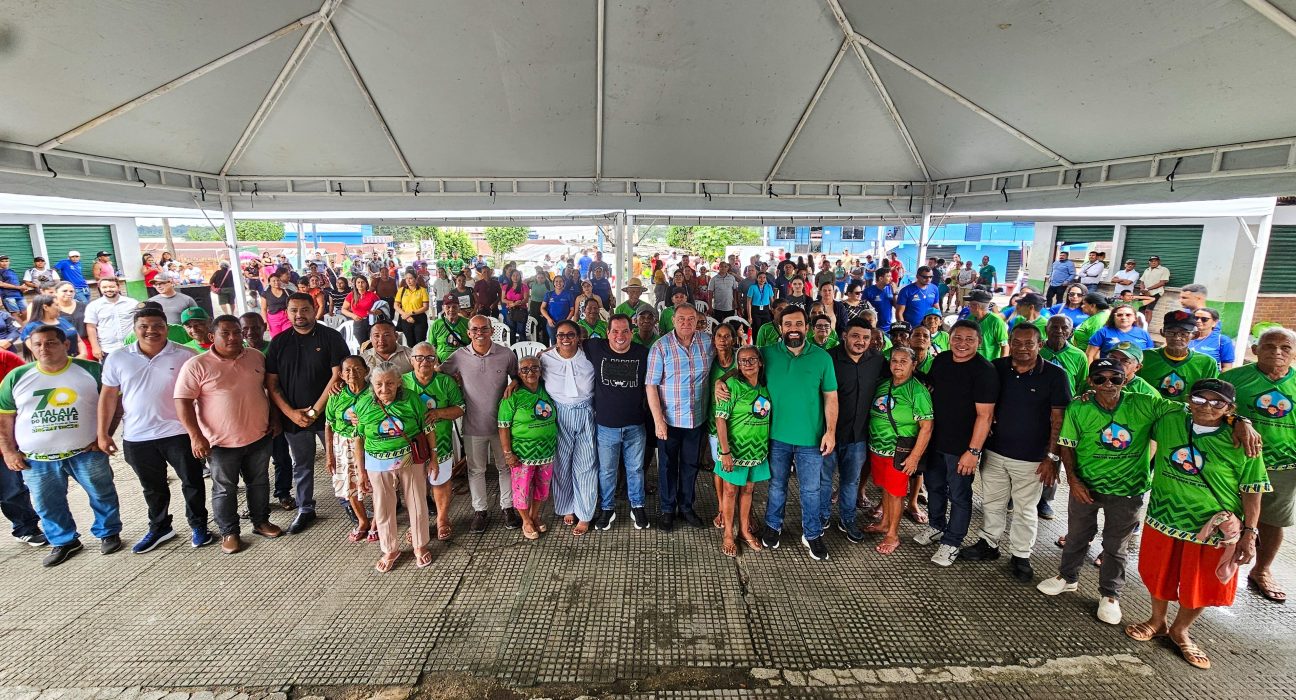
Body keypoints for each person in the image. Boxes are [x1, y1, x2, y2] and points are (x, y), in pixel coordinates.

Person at [1125, 378, 1268, 670]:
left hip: (1213, 529)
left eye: (1218, 402)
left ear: (1230, 407)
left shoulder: (1242, 440)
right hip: (1165, 518)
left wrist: (1250, 533)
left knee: (1205, 582)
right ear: (1189, 401)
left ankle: (1181, 630)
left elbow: (1252, 490)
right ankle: (1157, 621)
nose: (1207, 406)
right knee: (1158, 573)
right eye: (1200, 399)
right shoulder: (1171, 418)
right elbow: (1128, 398)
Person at [1037, 358, 1183, 625]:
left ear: (1125, 379)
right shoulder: (1079, 407)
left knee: (1116, 546)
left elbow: (1188, 410)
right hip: (1086, 485)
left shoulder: (1144, 403)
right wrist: (1073, 479)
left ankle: (1110, 595)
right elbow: (1068, 444)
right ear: (1091, 382)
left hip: (1127, 489)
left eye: (1115, 378)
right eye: (1100, 379)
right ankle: (1067, 578)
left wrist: (1237, 418)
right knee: (1077, 536)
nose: (1108, 384)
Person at [0, 325, 121, 567]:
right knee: (46, 503)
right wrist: (8, 451)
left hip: (87, 451)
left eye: (51, 342)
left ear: (66, 345)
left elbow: (114, 405)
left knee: (101, 492)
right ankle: (64, 540)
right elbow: (5, 419)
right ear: (29, 347)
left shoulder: (91, 369)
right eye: (38, 344)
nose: (44, 348)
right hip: (36, 458)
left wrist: (104, 435)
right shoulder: (16, 377)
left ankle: (108, 532)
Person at [961, 324, 1070, 582]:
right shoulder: (997, 368)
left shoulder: (1055, 375)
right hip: (996, 451)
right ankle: (989, 544)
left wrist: (1052, 458)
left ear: (1039, 345)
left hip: (1033, 458)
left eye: (1029, 343)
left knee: (1025, 509)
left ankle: (1021, 555)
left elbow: (1059, 419)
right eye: (1017, 342)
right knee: (992, 502)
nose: (1022, 348)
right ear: (1009, 341)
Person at [97, 307, 211, 553]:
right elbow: (108, 398)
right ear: (135, 329)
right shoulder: (118, 358)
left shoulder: (185, 355)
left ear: (167, 328)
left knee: (192, 482)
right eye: (144, 326)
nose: (151, 331)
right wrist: (103, 433)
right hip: (138, 436)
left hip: (180, 432)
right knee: (152, 487)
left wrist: (199, 432)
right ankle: (160, 527)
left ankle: (199, 525)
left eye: (158, 326)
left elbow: (200, 397)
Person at [752, 305, 839, 560]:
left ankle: (812, 534)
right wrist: (722, 383)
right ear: (780, 328)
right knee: (777, 486)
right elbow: (744, 368)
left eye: (798, 324)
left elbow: (830, 397)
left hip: (811, 440)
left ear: (807, 327)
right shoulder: (766, 354)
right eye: (787, 324)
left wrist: (830, 432)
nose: (793, 329)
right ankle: (773, 526)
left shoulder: (822, 358)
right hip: (776, 437)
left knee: (811, 490)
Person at [912, 320, 998, 567]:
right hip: (935, 440)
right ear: (949, 338)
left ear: (979, 342)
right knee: (934, 486)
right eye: (957, 338)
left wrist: (973, 451)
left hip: (961, 447)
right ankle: (936, 526)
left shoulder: (984, 370)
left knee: (959, 495)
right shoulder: (942, 360)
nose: (962, 344)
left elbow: (986, 416)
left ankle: (952, 541)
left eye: (969, 339)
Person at [1222, 327, 1296, 604]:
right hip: (1237, 463)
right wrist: (1236, 421)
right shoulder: (1233, 380)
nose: (1277, 352)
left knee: (1274, 521)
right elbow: (1210, 411)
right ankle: (1216, 567)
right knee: (1225, 516)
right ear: (1255, 350)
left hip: (1285, 467)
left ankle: (1262, 570)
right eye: (1269, 346)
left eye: (1285, 347)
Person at [265, 293, 349, 534]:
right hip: (294, 417)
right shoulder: (279, 343)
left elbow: (337, 376)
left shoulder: (331, 337)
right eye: (293, 310)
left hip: (329, 415)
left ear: (315, 310)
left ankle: (349, 501)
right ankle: (305, 508)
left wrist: (315, 411)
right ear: (287, 312)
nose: (299, 315)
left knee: (340, 461)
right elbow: (272, 384)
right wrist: (290, 413)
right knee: (301, 465)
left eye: (304, 310)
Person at [442, 315, 520, 533]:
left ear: (491, 331)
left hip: (502, 425)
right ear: (468, 333)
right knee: (476, 470)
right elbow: (439, 375)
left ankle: (508, 507)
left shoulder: (506, 354)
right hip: (473, 424)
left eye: (484, 329)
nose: (479, 333)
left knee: (505, 467)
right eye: (474, 329)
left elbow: (518, 377)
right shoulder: (459, 356)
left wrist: (514, 382)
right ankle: (480, 511)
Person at [354, 362, 435, 573]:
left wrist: (433, 457)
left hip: (410, 460)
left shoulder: (412, 399)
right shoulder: (363, 404)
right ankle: (390, 549)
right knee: (383, 507)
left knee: (417, 503)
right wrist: (360, 470)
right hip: (376, 463)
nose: (384, 389)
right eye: (379, 384)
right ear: (371, 383)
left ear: (399, 382)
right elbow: (358, 438)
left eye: (390, 383)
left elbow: (428, 429)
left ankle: (420, 545)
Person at [646, 302, 714, 531]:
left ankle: (686, 507)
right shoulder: (661, 347)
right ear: (673, 320)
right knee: (666, 467)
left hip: (696, 420)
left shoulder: (707, 343)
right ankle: (667, 510)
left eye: (691, 319)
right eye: (681, 319)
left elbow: (725, 363)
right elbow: (651, 386)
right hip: (669, 421)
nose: (686, 323)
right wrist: (658, 421)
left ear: (697, 321)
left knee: (690, 465)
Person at [823, 318, 886, 544]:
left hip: (858, 435)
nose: (861, 341)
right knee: (824, 480)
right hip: (828, 434)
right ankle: (822, 517)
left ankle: (847, 520)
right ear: (844, 336)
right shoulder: (828, 358)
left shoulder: (878, 361)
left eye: (866, 338)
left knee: (851, 481)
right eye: (856, 336)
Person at [868, 345, 933, 555]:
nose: (897, 365)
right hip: (879, 448)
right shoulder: (884, 384)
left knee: (896, 493)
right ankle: (885, 522)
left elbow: (927, 427)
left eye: (903, 361)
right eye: (894, 360)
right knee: (886, 488)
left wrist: (914, 457)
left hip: (900, 451)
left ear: (914, 365)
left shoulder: (918, 391)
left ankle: (893, 535)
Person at [588, 314, 652, 531]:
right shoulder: (595, 348)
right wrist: (543, 352)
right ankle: (607, 508)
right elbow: (565, 344)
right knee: (606, 470)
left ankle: (638, 505)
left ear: (631, 332)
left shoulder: (643, 354)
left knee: (636, 469)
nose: (620, 336)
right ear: (607, 333)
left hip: (636, 424)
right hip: (606, 426)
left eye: (625, 331)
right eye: (615, 331)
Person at [713, 345, 773, 556]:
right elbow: (720, 420)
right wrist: (726, 452)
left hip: (756, 451)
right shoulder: (731, 386)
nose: (747, 364)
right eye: (743, 361)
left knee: (748, 490)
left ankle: (744, 530)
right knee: (730, 491)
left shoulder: (765, 386)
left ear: (760, 362)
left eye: (752, 360)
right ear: (737, 365)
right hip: (734, 451)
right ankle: (729, 533)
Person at [540, 319, 599, 535]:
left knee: (586, 465)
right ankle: (567, 507)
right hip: (558, 415)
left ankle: (584, 513)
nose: (565, 339)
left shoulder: (590, 355)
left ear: (578, 337)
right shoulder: (545, 358)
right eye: (561, 335)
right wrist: (514, 382)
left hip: (586, 413)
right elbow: (528, 374)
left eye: (570, 335)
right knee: (562, 464)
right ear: (555, 338)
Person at [403, 342, 465, 541]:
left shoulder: (445, 382)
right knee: (415, 487)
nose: (424, 362)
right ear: (411, 361)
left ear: (436, 361)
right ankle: (416, 523)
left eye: (430, 358)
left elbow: (460, 408)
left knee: (440, 481)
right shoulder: (401, 382)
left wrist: (439, 413)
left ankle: (442, 519)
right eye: (419, 358)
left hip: (441, 442)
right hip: (410, 445)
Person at [498, 355, 558, 539]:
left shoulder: (547, 389)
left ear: (541, 371)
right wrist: (507, 453)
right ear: (518, 373)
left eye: (534, 368)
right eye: (524, 369)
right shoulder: (512, 396)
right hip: (522, 453)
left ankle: (534, 516)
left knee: (543, 487)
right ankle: (525, 520)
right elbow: (503, 426)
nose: (530, 372)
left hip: (547, 450)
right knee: (521, 488)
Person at [324, 356, 373, 543]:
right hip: (344, 445)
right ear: (342, 375)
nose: (352, 373)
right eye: (347, 370)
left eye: (357, 369)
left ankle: (377, 523)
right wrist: (329, 455)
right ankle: (362, 521)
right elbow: (328, 425)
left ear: (366, 371)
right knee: (349, 485)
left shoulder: (373, 393)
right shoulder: (336, 395)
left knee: (378, 484)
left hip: (370, 443)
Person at [1138, 310, 1219, 401]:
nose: (1176, 338)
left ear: (1195, 335)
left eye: (1184, 334)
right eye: (1170, 332)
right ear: (1162, 333)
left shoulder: (1207, 363)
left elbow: (1210, 396)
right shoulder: (1144, 357)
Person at [83, 278, 137, 360]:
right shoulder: (93, 306)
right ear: (100, 289)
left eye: (111, 287)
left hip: (132, 347)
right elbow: (91, 327)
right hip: (108, 349)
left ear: (118, 287)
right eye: (104, 287)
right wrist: (95, 347)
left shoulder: (132, 303)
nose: (108, 289)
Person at [1086, 303, 1154, 361]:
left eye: (1128, 315)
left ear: (1135, 318)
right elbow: (1089, 355)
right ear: (1113, 317)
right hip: (1109, 372)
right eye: (1119, 315)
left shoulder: (1143, 334)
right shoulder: (1103, 332)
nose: (1123, 317)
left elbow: (1149, 357)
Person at [19, 294, 79, 358]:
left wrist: (83, 354)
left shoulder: (64, 320)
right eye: (57, 305)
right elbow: (39, 353)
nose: (60, 308)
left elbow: (79, 340)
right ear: (46, 307)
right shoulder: (31, 328)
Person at [963, 289, 1007, 361]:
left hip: (989, 364)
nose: (968, 307)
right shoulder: (970, 318)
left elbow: (1004, 345)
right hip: (971, 361)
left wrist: (1002, 365)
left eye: (969, 305)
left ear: (977, 306)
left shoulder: (996, 321)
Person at [341, 276, 380, 346]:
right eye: (358, 282)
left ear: (366, 284)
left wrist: (375, 312)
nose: (360, 284)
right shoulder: (351, 295)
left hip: (371, 322)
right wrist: (353, 315)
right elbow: (343, 309)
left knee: (374, 343)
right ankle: (364, 356)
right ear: (355, 284)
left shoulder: (373, 295)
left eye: (362, 282)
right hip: (358, 322)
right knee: (363, 345)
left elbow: (381, 309)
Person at [395, 270, 430, 347]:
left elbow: (426, 307)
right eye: (406, 278)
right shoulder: (402, 290)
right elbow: (396, 305)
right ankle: (412, 358)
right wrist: (405, 315)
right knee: (410, 343)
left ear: (416, 279)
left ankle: (420, 358)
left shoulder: (422, 290)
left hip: (419, 318)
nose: (408, 280)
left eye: (410, 278)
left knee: (420, 343)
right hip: (405, 319)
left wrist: (410, 313)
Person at [540, 276, 575, 344]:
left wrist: (566, 321)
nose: (558, 283)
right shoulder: (549, 294)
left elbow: (572, 310)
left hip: (564, 322)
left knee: (564, 341)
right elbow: (542, 308)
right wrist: (548, 319)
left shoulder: (568, 294)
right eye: (556, 281)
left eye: (560, 281)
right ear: (553, 283)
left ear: (563, 283)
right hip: (552, 323)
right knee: (553, 340)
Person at [747, 270, 775, 335]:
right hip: (756, 311)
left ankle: (765, 344)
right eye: (760, 277)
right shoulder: (752, 287)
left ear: (766, 279)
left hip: (766, 310)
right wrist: (749, 316)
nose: (762, 279)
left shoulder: (768, 287)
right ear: (757, 278)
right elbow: (748, 303)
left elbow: (772, 300)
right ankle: (756, 345)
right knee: (756, 329)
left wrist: (774, 312)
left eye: (764, 277)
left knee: (767, 329)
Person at [0, 255, 26, 321]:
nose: (5, 263)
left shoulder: (11, 271)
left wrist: (22, 289)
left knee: (25, 312)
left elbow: (14, 283)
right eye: (2, 261)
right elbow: (1, 284)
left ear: (9, 262)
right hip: (8, 296)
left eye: (6, 261)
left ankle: (22, 326)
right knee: (15, 313)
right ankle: (20, 329)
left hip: (19, 294)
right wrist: (19, 287)